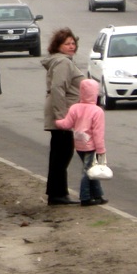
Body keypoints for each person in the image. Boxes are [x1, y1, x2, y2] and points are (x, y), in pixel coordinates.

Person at [41, 27, 85, 205]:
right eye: (67, 43)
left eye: (73, 43)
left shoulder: (63, 61)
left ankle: (56, 193)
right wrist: (62, 117)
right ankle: (58, 194)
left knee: (60, 153)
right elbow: (59, 88)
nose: (71, 46)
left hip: (63, 114)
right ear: (58, 46)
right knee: (63, 153)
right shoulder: (63, 63)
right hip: (62, 116)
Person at [54, 78, 108, 206]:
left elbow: (67, 124)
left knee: (91, 169)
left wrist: (56, 122)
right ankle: (85, 197)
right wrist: (101, 150)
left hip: (78, 143)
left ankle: (98, 195)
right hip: (91, 144)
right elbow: (97, 133)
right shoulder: (97, 111)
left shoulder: (75, 108)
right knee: (88, 171)